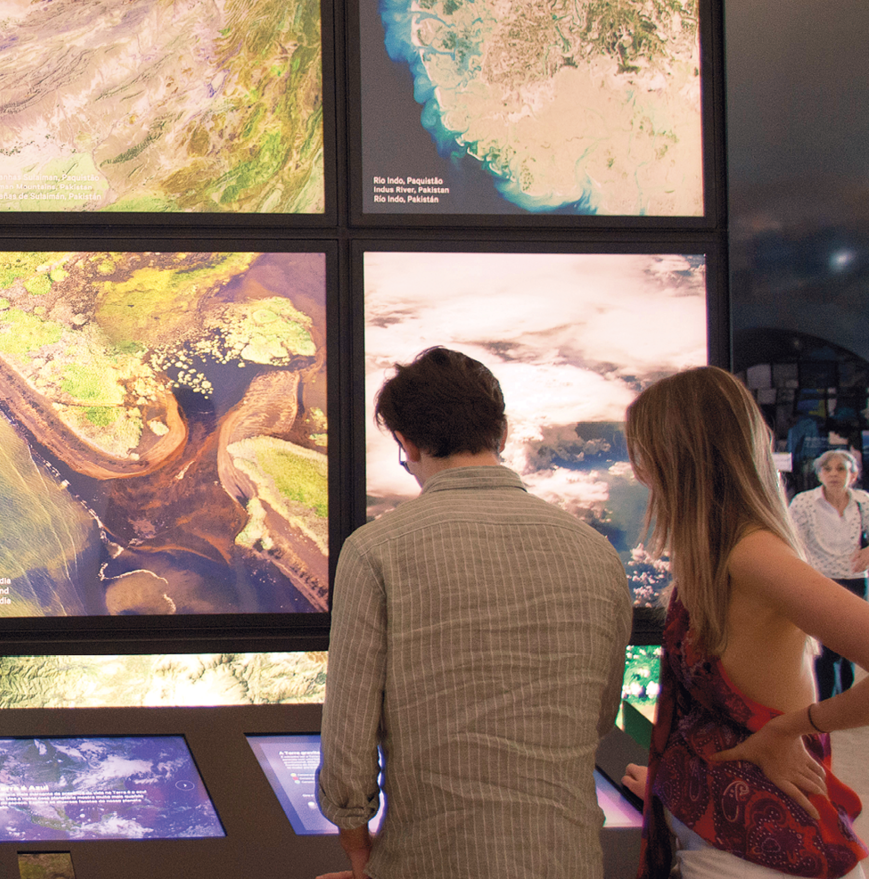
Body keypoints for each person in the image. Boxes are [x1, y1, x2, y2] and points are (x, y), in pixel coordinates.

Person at [316, 346, 633, 879]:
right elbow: (600, 715)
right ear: (502, 434)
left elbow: (349, 743)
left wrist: (358, 851)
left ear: (407, 443)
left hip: (431, 861)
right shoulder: (595, 551)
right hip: (571, 859)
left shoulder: (376, 551)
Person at [621, 368, 869, 878]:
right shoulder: (718, 556)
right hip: (725, 833)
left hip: (761, 854)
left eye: (643, 454)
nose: (639, 472)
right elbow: (719, 722)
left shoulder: (751, 554)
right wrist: (680, 783)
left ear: (680, 456)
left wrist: (789, 729)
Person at [788, 449, 869, 698]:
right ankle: (824, 706)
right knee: (825, 649)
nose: (834, 473)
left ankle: (841, 698)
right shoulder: (803, 502)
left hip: (855, 579)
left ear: (853, 476)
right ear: (819, 475)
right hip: (820, 580)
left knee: (849, 647)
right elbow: (791, 538)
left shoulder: (863, 501)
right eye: (828, 469)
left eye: (841, 468)